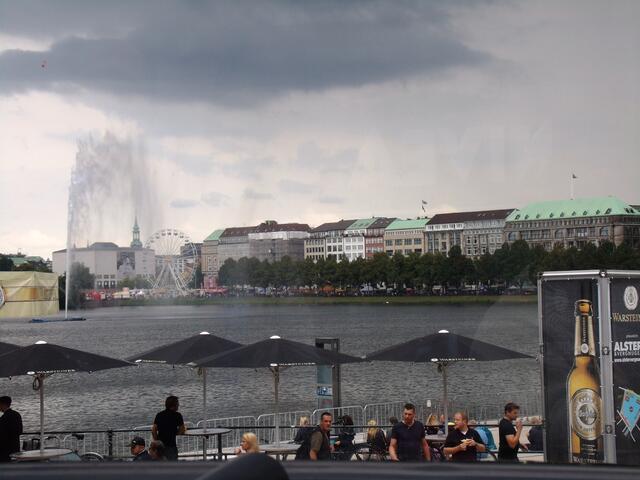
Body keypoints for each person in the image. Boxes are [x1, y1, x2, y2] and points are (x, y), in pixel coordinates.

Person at [152, 395, 185, 461]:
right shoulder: (177, 415)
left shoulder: (159, 415)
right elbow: (182, 430)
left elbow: (153, 430)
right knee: (172, 464)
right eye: (177, 403)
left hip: (159, 446)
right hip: (171, 446)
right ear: (174, 405)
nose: (178, 405)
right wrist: (175, 433)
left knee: (160, 464)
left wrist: (157, 440)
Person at [0, 396, 23, 462]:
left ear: (3, 404)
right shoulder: (17, 414)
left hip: (5, 449)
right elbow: (20, 431)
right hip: (15, 446)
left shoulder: (4, 418)